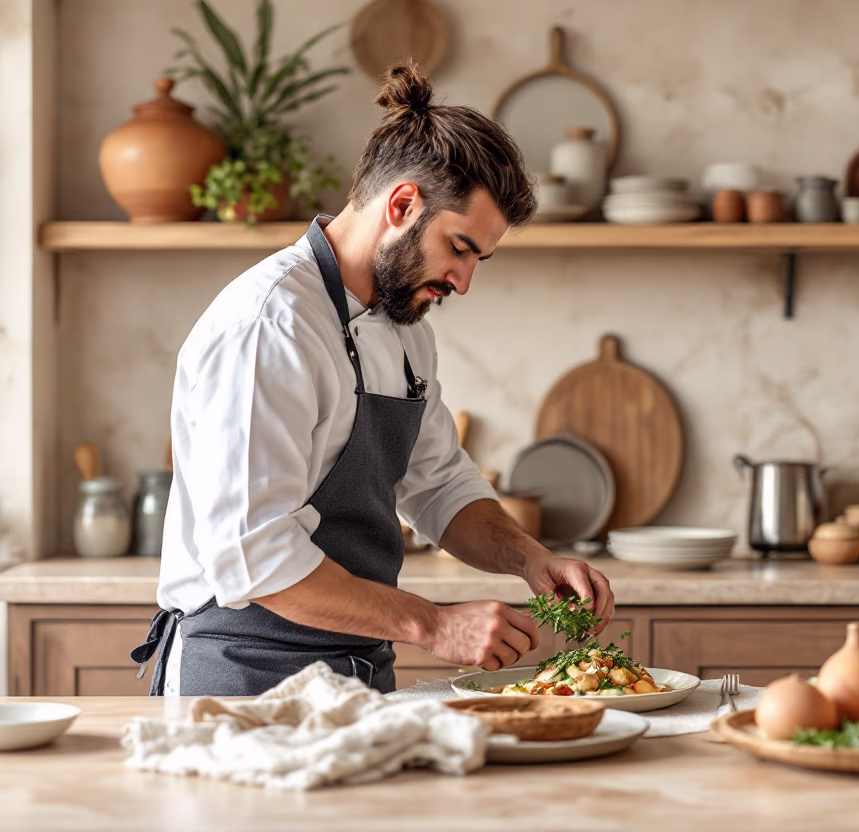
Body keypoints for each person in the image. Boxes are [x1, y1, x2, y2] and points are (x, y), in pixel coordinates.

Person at [131, 63, 614, 696]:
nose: (464, 281)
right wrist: (433, 625)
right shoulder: (270, 324)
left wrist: (531, 559)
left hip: (356, 677)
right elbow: (255, 555)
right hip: (243, 678)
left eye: (479, 260)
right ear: (403, 204)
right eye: (461, 248)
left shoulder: (405, 322)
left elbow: (438, 482)